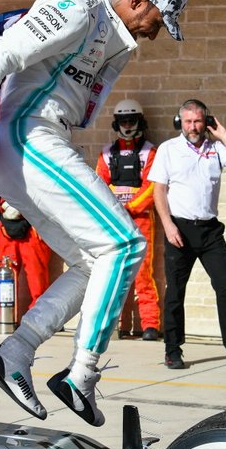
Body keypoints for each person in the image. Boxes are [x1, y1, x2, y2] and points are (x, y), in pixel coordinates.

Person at [0, 0, 189, 426]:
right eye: (160, 20)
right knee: (125, 245)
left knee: (92, 261)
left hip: (33, 143)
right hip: (29, 136)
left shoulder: (108, 32)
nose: (155, 32)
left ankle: (15, 353)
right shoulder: (77, 6)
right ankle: (81, 375)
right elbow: (4, 53)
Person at [149, 99, 226, 370]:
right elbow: (158, 191)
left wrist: (224, 135)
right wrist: (168, 225)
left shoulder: (217, 149)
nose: (193, 126)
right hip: (180, 229)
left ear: (206, 121)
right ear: (180, 122)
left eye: (198, 121)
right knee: (176, 291)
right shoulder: (169, 149)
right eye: (188, 121)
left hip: (210, 230)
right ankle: (173, 351)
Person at [96, 99, 161, 341]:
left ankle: (150, 324)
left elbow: (153, 185)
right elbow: (98, 184)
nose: (127, 125)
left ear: (139, 121)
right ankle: (119, 325)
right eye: (123, 121)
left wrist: (131, 207)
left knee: (144, 273)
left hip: (141, 219)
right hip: (114, 222)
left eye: (131, 120)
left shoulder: (150, 152)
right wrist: (114, 211)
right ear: (116, 123)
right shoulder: (106, 153)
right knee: (117, 272)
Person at [0, 199, 52, 310]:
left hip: (34, 225)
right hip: (8, 224)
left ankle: (39, 317)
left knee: (37, 277)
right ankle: (4, 316)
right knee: (6, 277)